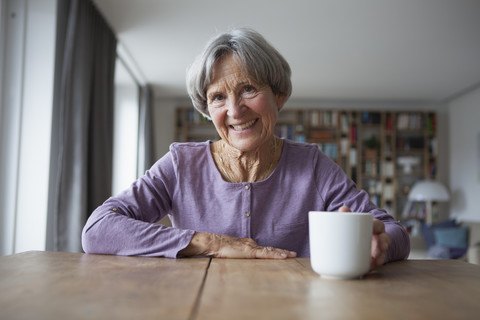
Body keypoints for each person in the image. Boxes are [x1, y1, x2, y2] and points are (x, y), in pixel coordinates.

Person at [82, 28, 410, 268]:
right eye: (218, 97)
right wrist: (211, 243)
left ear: (279, 95)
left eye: (249, 88)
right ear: (207, 108)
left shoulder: (312, 166)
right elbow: (99, 229)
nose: (235, 111)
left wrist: (380, 241)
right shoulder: (181, 165)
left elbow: (395, 231)